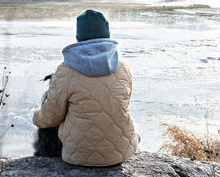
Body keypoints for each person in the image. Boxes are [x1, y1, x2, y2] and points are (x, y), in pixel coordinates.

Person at [33, 9, 140, 167]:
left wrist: (35, 117)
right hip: (123, 152)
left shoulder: (66, 70)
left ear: (78, 38)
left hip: (79, 157)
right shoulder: (122, 67)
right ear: (108, 36)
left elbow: (51, 117)